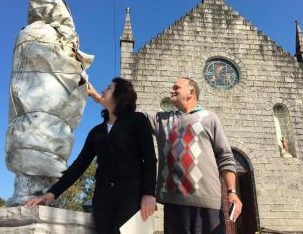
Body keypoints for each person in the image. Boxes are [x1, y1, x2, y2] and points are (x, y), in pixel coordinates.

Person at [88, 77, 243, 234]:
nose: (172, 90)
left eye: (177, 87)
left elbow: (225, 157)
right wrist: (99, 98)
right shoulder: (162, 120)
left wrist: (232, 192)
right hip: (173, 206)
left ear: (191, 92)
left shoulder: (210, 118)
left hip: (208, 205)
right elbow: (125, 109)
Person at [26, 77, 157, 234]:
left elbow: (150, 159)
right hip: (103, 200)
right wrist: (52, 193)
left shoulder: (137, 120)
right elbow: (79, 165)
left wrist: (148, 193)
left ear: (120, 94)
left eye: (109, 88)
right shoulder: (96, 132)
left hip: (131, 197)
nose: (103, 90)